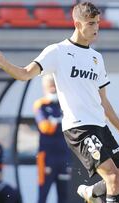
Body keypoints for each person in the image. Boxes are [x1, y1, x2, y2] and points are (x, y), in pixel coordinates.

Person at [0, 2, 119, 203]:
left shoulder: (96, 58)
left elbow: (103, 101)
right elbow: (24, 74)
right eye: (90, 23)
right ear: (77, 23)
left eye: (97, 23)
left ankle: (91, 193)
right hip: (79, 128)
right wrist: (3, 62)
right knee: (113, 178)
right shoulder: (57, 51)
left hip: (101, 127)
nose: (95, 28)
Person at [33, 74, 71, 203]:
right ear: (45, 88)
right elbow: (45, 127)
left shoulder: (66, 104)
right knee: (43, 194)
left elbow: (73, 126)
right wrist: (60, 123)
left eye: (55, 86)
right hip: (47, 157)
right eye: (50, 86)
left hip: (64, 155)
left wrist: (55, 123)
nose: (53, 89)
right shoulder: (41, 104)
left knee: (64, 195)